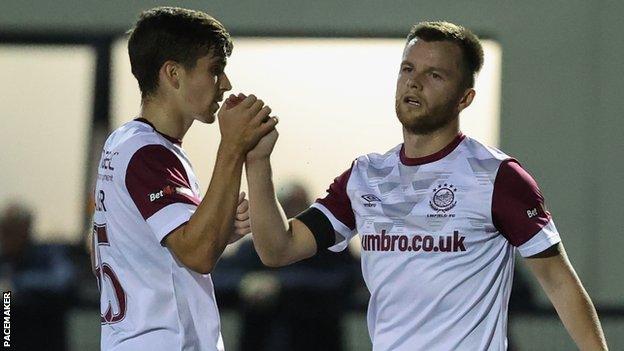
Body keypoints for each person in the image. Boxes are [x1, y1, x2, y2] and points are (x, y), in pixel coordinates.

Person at [244, 21, 608, 350]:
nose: (414, 82)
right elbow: (279, 249)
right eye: (408, 69)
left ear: (465, 98)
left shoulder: (497, 176)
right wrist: (258, 162)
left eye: (435, 75)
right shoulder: (365, 175)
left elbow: (560, 283)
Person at [91, 6, 277, 350]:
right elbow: (199, 254)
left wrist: (217, 228)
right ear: (173, 74)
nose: (226, 84)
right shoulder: (149, 153)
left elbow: (122, 246)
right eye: (215, 70)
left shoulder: (125, 143)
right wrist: (233, 147)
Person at [0, 203, 75, 351]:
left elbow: (63, 281)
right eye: (4, 231)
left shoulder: (47, 255)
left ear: (26, 230)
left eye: (12, 231)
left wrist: (16, 285)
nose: (5, 237)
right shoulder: (4, 261)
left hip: (43, 339)